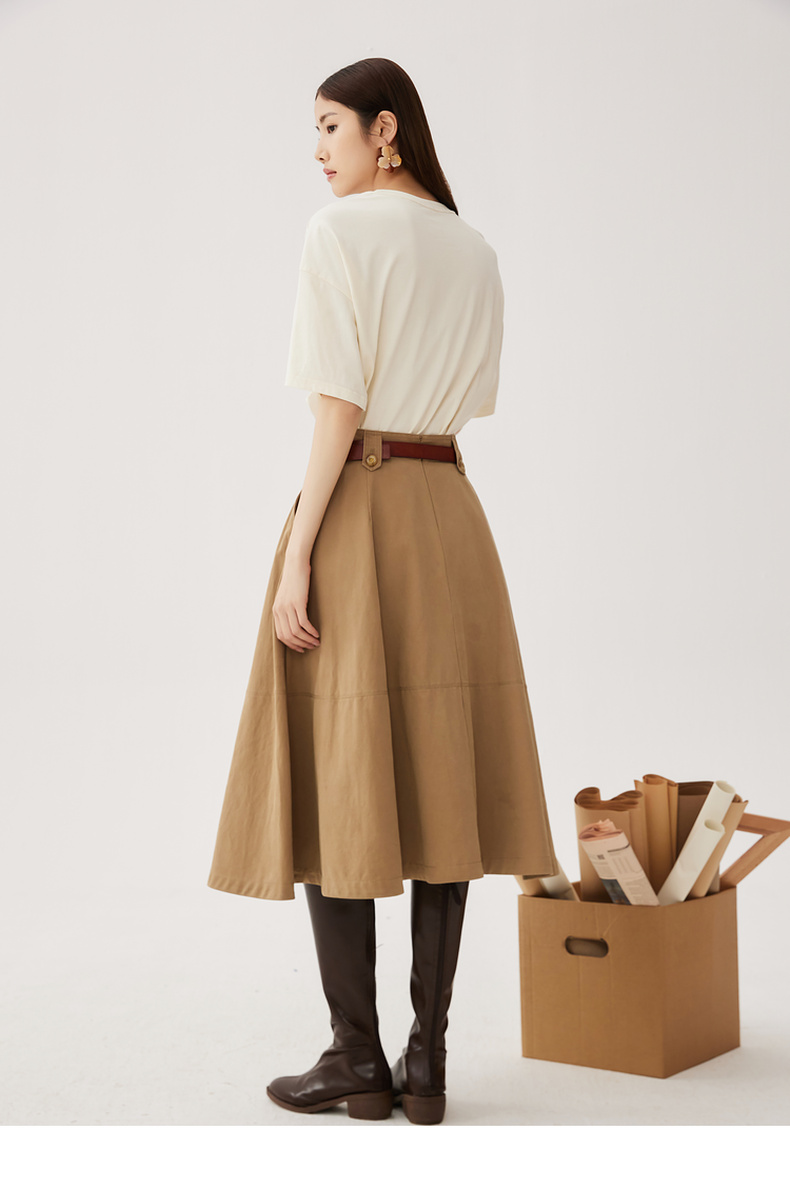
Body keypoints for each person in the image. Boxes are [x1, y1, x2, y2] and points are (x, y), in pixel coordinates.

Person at [207, 57, 559, 1126]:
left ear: (385, 130)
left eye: (330, 127)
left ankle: (356, 1055)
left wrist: (299, 549)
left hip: (360, 507)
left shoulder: (340, 233)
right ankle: (426, 1061)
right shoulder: (475, 249)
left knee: (340, 766)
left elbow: (339, 407)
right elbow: (470, 399)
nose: (318, 152)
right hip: (450, 513)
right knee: (443, 776)